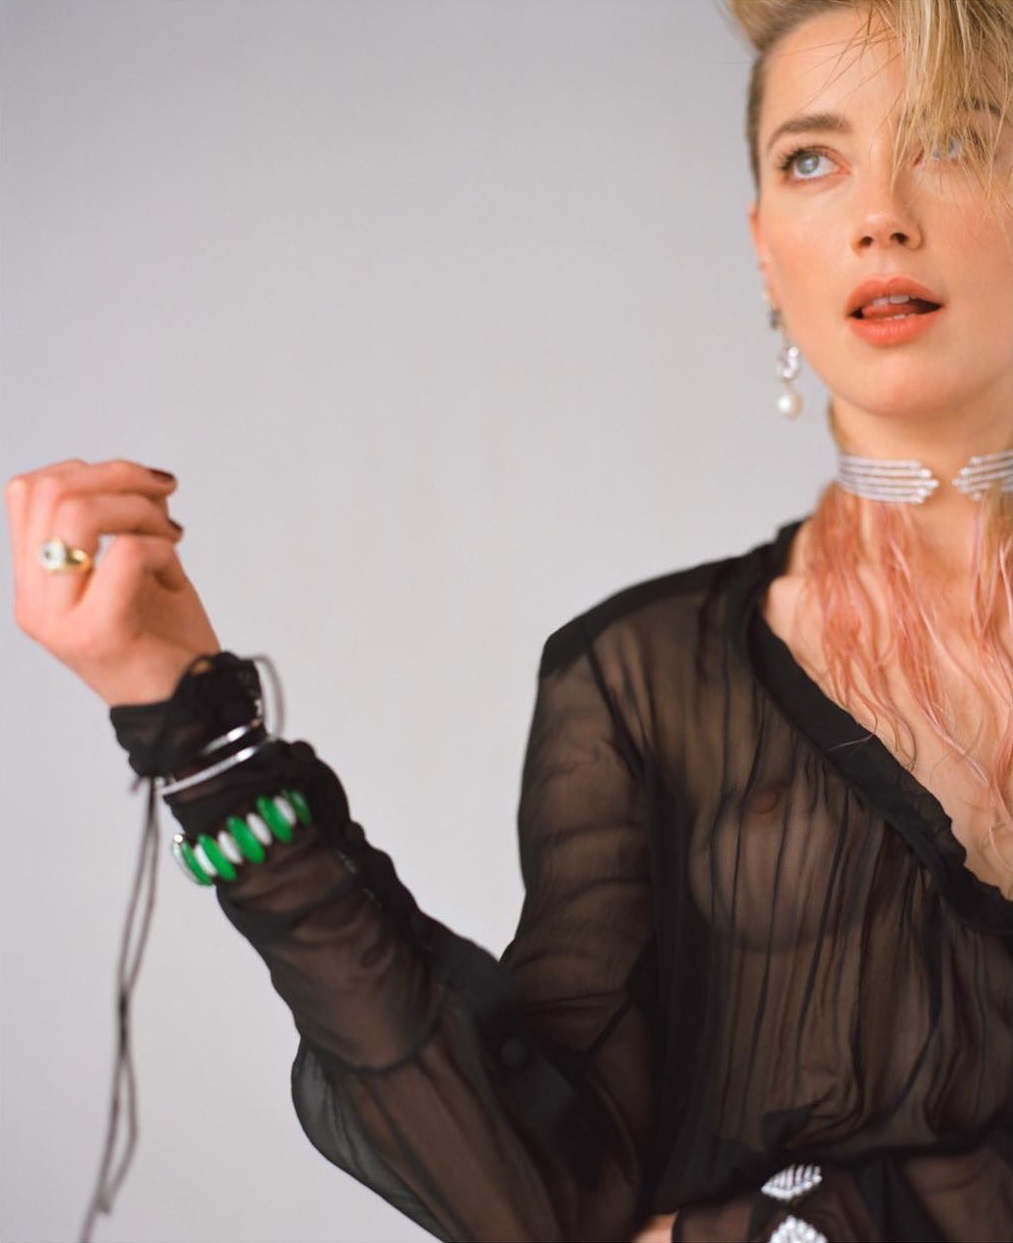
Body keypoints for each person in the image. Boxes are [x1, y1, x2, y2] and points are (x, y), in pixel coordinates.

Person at [6, 0, 1012, 1239]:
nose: (878, 215)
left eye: (954, 140)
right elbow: (539, 1198)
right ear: (763, 246)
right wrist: (201, 739)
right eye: (812, 160)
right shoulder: (640, 674)